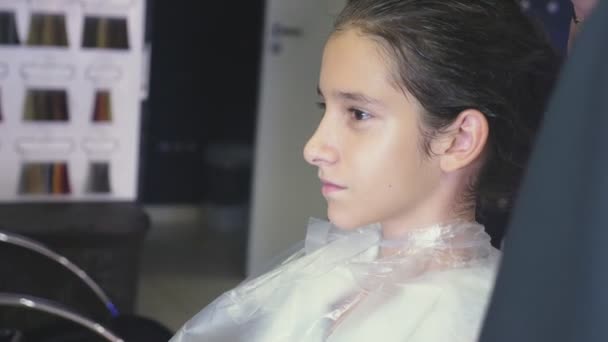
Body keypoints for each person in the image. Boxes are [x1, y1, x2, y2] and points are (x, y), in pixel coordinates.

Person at [170, 1, 559, 341]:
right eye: (326, 108)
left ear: (458, 140)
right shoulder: (340, 271)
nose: (313, 148)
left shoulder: (466, 318)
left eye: (358, 114)